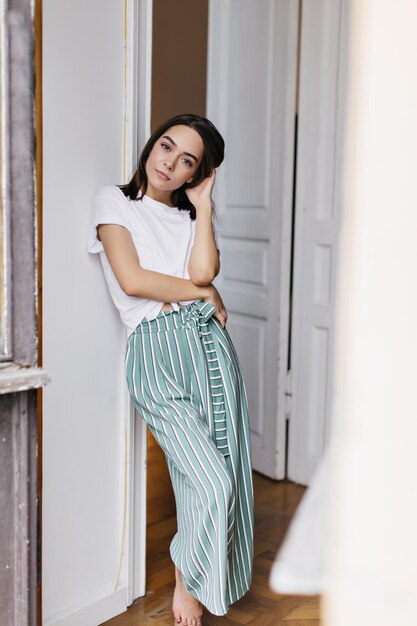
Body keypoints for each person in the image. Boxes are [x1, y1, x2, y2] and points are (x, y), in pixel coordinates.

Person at [88, 113, 254, 626]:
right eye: (166, 146)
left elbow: (204, 271)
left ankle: (196, 579)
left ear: (195, 175)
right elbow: (134, 281)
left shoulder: (189, 218)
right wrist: (203, 292)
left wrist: (203, 207)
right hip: (156, 350)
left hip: (209, 345)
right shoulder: (113, 202)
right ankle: (188, 569)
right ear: (151, 144)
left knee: (222, 471)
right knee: (210, 481)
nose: (170, 163)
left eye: (188, 161)